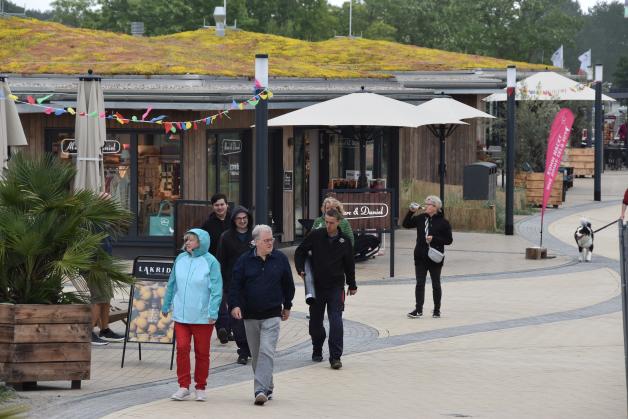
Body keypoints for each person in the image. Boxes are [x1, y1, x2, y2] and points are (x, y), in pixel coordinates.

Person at [229, 224, 295, 406]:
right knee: (257, 355)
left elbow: (288, 284)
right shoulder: (244, 261)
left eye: (271, 239)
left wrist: (287, 305)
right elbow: (235, 285)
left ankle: (260, 390)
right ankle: (269, 385)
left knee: (267, 351)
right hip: (250, 315)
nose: (270, 243)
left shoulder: (280, 259)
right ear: (256, 242)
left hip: (272, 313)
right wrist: (234, 305)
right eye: (266, 240)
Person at [162, 229, 222, 402]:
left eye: (191, 240)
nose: (187, 243)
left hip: (203, 317)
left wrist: (213, 311)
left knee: (202, 353)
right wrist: (166, 304)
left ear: (201, 242)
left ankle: (201, 387)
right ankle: (183, 386)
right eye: (186, 239)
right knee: (181, 349)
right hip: (181, 315)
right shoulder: (180, 259)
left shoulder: (211, 262)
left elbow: (217, 289)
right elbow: (172, 284)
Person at [294, 208, 357, 370]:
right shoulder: (316, 235)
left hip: (336, 287)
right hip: (317, 287)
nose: (328, 225)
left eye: (331, 223)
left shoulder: (345, 241)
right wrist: (301, 269)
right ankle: (317, 347)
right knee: (315, 323)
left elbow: (349, 265)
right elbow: (300, 251)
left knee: (336, 321)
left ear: (339, 223)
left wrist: (352, 284)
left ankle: (335, 357)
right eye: (326, 222)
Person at [403, 195, 452, 319]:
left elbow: (449, 240)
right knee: (420, 283)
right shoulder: (420, 218)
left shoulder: (443, 222)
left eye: (429, 204)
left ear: (435, 207)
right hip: (420, 256)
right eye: (426, 203)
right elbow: (406, 224)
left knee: (436, 284)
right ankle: (418, 310)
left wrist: (434, 239)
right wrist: (411, 212)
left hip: (435, 257)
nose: (426, 205)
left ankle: (437, 310)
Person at [216, 206, 253, 365]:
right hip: (233, 284)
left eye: (245, 218)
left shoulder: (255, 235)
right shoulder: (226, 237)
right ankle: (243, 350)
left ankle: (252, 347)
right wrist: (222, 284)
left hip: (253, 284)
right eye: (239, 218)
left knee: (251, 319)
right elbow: (221, 261)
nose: (242, 221)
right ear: (234, 220)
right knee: (237, 320)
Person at [88, 192, 125, 345]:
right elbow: (95, 246)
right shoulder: (93, 220)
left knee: (106, 297)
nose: (111, 206)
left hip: (104, 265)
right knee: (98, 298)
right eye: (108, 203)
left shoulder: (103, 220)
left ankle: (105, 329)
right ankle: (88, 333)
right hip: (95, 266)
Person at [201, 193, 232, 344]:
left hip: (233, 266)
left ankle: (231, 329)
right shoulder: (207, 225)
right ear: (213, 207)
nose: (220, 207)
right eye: (216, 205)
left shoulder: (235, 221)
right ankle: (222, 329)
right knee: (219, 298)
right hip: (214, 267)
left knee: (233, 298)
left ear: (227, 205)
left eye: (222, 204)